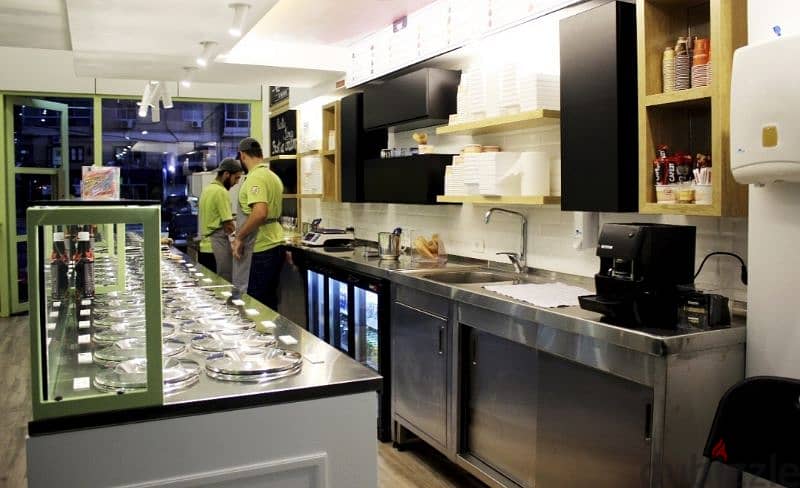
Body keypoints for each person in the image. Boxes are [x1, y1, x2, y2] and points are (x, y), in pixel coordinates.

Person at [231, 137, 284, 308]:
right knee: (269, 303)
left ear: (242, 156)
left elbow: (260, 213)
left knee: (255, 304)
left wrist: (239, 237)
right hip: (275, 244)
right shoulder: (273, 177)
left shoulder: (255, 178)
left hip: (260, 248)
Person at [197, 158, 243, 282]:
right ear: (226, 174)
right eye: (236, 178)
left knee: (209, 287)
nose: (236, 182)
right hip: (217, 248)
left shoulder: (207, 189)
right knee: (223, 285)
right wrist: (237, 242)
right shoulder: (221, 192)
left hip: (205, 248)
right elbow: (228, 225)